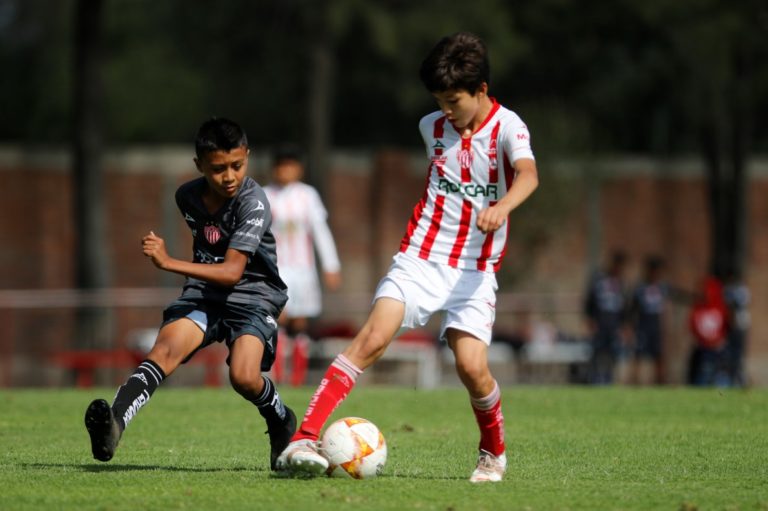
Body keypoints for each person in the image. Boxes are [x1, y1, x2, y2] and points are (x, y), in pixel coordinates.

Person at [276, 32, 539, 483]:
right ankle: (303, 437)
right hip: (420, 255)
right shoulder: (430, 127)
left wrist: (502, 206)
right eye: (439, 100)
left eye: (454, 99)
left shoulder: (509, 127)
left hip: (474, 271)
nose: (446, 110)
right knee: (372, 338)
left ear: (481, 90)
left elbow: (529, 175)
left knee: (472, 368)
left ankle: (493, 452)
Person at [83, 118, 296, 470]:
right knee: (164, 350)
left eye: (237, 166)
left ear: (248, 158)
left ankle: (281, 420)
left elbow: (231, 272)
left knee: (243, 377)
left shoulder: (254, 202)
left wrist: (168, 262)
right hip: (205, 294)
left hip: (254, 295)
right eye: (218, 169)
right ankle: (114, 424)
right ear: (198, 165)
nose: (229, 176)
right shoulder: (187, 197)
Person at [263, 144, 342, 386]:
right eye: (281, 165)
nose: (286, 171)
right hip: (277, 268)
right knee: (278, 318)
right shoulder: (265, 195)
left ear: (299, 169)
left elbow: (320, 231)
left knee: (300, 322)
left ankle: (297, 379)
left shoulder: (307, 195)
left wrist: (331, 264)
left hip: (303, 269)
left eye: (291, 165)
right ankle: (277, 377)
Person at [583, 250, 629, 384]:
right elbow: (589, 300)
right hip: (600, 323)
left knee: (613, 354)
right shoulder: (599, 280)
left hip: (614, 325)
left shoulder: (621, 284)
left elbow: (625, 307)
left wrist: (624, 325)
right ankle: (594, 378)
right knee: (597, 352)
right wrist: (590, 318)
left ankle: (609, 378)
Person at [628, 255, 668, 385]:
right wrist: (630, 327)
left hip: (655, 326)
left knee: (659, 356)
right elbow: (632, 309)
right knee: (638, 355)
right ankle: (634, 382)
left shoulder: (662, 288)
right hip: (643, 326)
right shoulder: (641, 289)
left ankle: (661, 383)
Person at [687, 276, 729, 386]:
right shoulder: (698, 309)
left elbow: (726, 326)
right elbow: (694, 326)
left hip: (718, 348)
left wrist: (719, 340)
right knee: (703, 372)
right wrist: (705, 340)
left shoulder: (720, 308)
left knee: (721, 374)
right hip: (704, 348)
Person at [723, 271, 750, 387]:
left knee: (738, 356)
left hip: (739, 326)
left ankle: (738, 380)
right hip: (731, 326)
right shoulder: (729, 290)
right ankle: (731, 379)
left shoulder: (740, 290)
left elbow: (737, 305)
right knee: (730, 355)